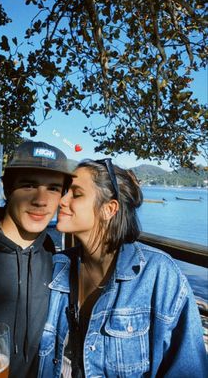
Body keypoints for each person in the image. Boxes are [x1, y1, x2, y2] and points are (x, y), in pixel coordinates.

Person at [38, 158, 207, 378]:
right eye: (65, 191)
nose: (62, 200)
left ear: (109, 209)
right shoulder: (56, 267)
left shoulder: (158, 275)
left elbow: (189, 370)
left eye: (76, 194)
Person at [0, 140, 76, 378]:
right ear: (8, 189)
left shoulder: (54, 257)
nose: (41, 200)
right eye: (29, 185)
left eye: (53, 188)